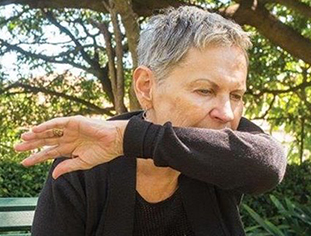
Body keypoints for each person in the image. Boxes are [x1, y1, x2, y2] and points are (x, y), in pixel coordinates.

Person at [15, 6, 287, 236]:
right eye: (205, 90)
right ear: (146, 86)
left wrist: (130, 139)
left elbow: (269, 164)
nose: (227, 113)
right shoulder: (82, 164)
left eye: (236, 95)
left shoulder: (224, 147)